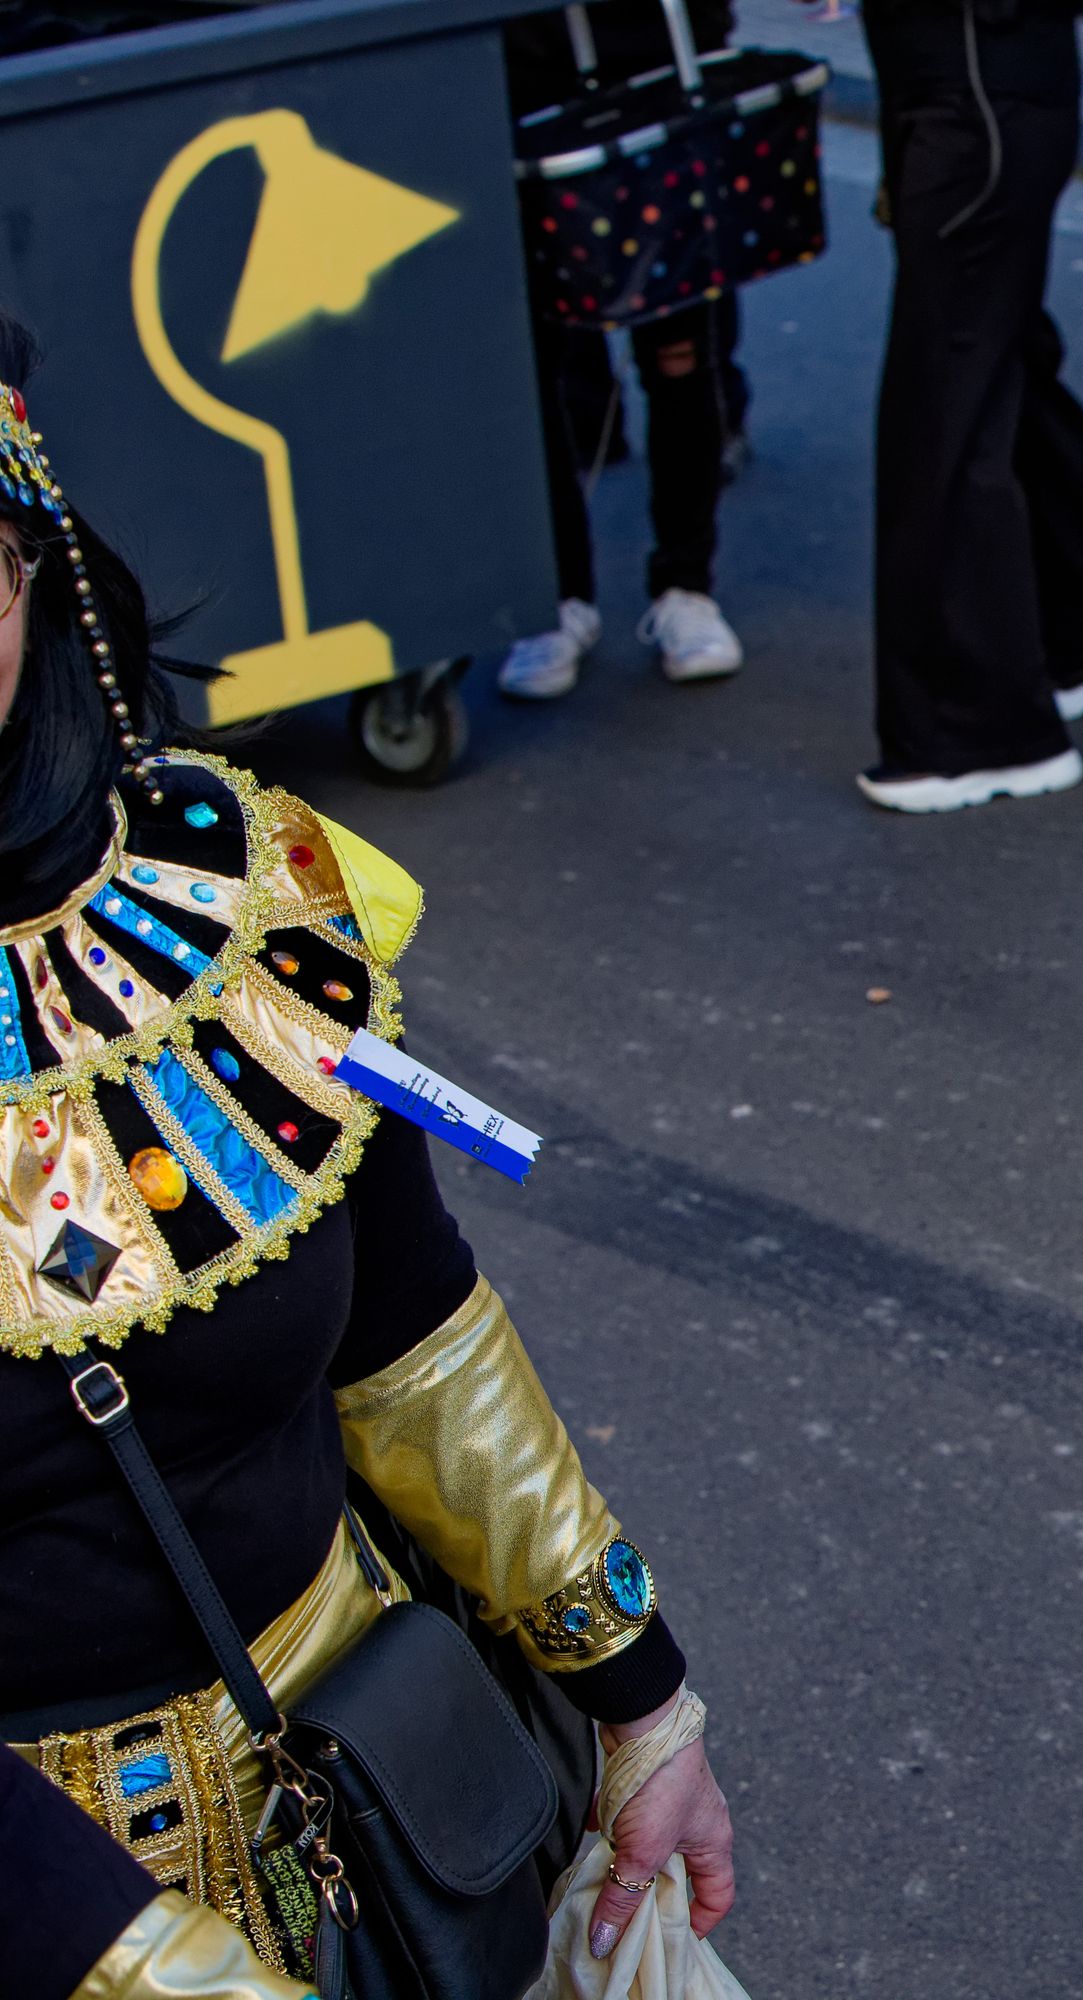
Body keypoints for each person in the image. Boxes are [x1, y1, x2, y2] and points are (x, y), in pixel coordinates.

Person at [0, 324, 735, 1995]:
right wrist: (141, 1968)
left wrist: (637, 1696)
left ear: (36, 581)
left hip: (368, 1825)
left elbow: (405, 1322)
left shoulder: (230, 892)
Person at [853, 0, 1083, 812]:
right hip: (968, 76)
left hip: (979, 79)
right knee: (994, 364)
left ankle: (979, 733)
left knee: (944, 403)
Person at [496, 0, 752, 697]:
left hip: (658, 54)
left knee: (680, 346)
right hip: (520, 61)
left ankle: (686, 584)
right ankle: (555, 597)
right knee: (530, 354)